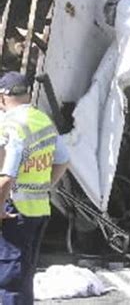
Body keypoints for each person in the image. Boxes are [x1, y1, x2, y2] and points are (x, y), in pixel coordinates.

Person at [0, 71, 69, 305]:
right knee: (24, 277)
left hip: (14, 209)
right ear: (28, 94)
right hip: (39, 208)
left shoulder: (9, 125)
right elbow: (63, 159)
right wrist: (44, 185)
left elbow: (7, 176)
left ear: (2, 98)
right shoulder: (43, 121)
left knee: (8, 280)